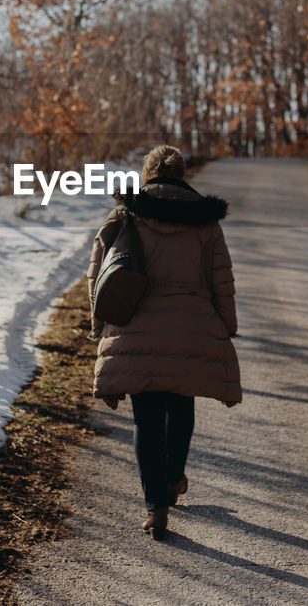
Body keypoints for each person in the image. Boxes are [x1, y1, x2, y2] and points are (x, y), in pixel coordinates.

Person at [87, 144, 241, 540]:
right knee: (181, 404)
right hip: (191, 327)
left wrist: (98, 323)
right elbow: (221, 279)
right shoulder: (206, 222)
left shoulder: (124, 215)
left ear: (147, 173)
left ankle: (156, 508)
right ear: (183, 175)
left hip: (136, 325)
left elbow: (99, 274)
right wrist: (227, 325)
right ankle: (173, 480)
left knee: (146, 418)